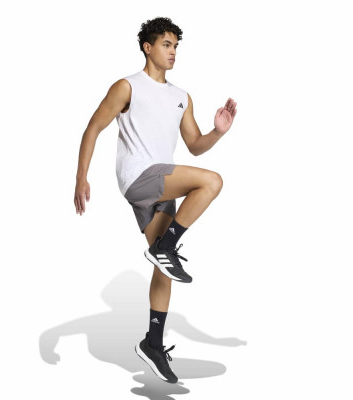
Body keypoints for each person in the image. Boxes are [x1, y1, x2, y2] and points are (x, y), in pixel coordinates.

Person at [74, 17, 237, 384]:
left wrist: (217, 132)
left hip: (162, 183)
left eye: (176, 46)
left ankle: (153, 342)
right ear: (147, 47)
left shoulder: (182, 97)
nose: (173, 51)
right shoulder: (127, 86)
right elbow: (93, 128)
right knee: (212, 181)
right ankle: (166, 246)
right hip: (139, 176)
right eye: (166, 44)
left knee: (164, 268)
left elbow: (195, 145)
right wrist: (81, 176)